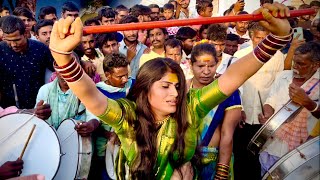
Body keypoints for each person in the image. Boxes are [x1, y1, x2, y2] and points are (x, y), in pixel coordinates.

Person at [49, 3, 292, 179]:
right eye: (165, 86)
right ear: (144, 90)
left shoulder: (190, 109)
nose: (175, 93)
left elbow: (233, 76)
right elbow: (92, 97)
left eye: (177, 87)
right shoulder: (129, 117)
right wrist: (62, 55)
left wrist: (278, 37)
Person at [258, 42, 320, 176]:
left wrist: (308, 103)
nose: (295, 67)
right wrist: (267, 113)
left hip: (303, 155)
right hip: (272, 146)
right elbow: (270, 102)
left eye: (301, 64)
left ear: (316, 65)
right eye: (294, 62)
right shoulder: (283, 76)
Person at [187, 43, 242, 180]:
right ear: (190, 64)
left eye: (211, 66)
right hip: (184, 160)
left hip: (215, 159)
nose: (206, 71)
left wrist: (222, 172)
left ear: (218, 64)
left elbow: (227, 134)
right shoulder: (182, 89)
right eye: (200, 66)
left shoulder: (228, 92)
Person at [0, 16, 54, 109]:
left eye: (17, 40)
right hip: (8, 113)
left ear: (25, 33)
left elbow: (58, 67)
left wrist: (82, 62)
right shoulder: (0, 50)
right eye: (8, 40)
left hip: (38, 109)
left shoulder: (40, 49)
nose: (13, 45)